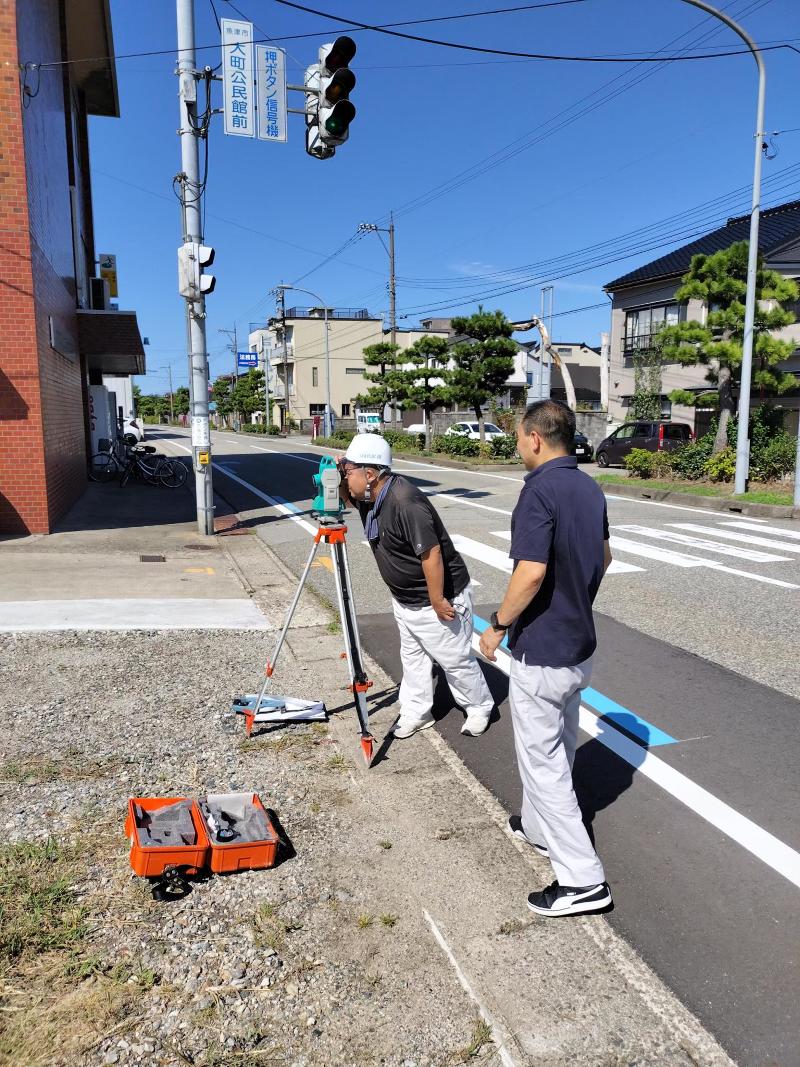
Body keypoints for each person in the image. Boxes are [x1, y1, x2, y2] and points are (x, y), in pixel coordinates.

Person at [479, 400, 613, 918]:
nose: (517, 445)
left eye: (518, 436)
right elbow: (604, 557)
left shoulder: (538, 491)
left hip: (544, 649)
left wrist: (497, 626)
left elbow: (530, 573)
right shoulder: (587, 486)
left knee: (544, 765)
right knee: (563, 744)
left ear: (535, 437)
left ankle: (582, 881)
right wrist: (577, 598)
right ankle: (538, 829)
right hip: (580, 646)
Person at [340, 433, 494, 738]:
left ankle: (479, 707)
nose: (346, 478)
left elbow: (431, 553)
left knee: (454, 660)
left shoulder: (404, 501)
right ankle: (416, 711)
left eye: (349, 472)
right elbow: (347, 496)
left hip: (436, 599)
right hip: (406, 599)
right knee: (413, 659)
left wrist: (437, 599)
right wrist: (340, 470)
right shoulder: (371, 496)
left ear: (369, 474)